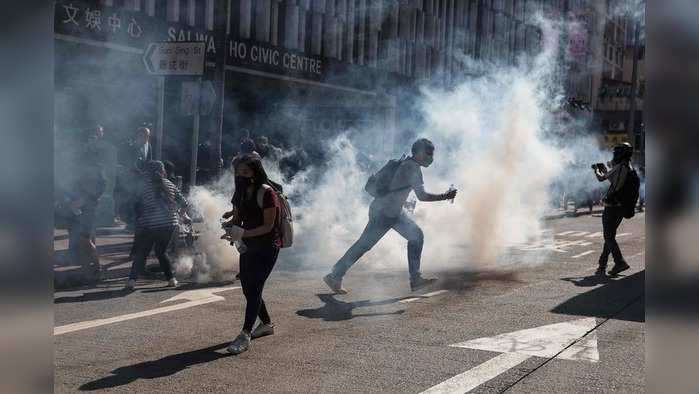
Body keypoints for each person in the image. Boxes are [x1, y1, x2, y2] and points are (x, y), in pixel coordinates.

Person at [323, 138, 458, 294]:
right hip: (384, 214)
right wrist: (445, 196)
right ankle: (335, 275)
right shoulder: (412, 168)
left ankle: (415, 280)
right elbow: (422, 196)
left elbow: (398, 188)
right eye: (429, 153)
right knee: (364, 245)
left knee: (416, 236)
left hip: (390, 212)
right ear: (420, 153)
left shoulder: (403, 162)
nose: (431, 157)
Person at [223, 155, 281, 355]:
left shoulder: (267, 193)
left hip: (267, 246)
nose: (241, 176)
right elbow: (239, 219)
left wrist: (244, 232)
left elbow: (268, 226)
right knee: (248, 287)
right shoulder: (239, 192)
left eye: (245, 172)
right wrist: (231, 227)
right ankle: (266, 324)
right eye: (238, 172)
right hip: (248, 246)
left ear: (255, 172)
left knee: (255, 286)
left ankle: (245, 334)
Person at [125, 161, 188, 290]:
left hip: (151, 224)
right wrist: (179, 216)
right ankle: (171, 279)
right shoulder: (169, 183)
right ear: (162, 171)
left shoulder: (142, 186)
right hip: (170, 224)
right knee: (161, 251)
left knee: (142, 253)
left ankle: (131, 281)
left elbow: (137, 206)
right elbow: (184, 203)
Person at [65, 128, 107, 280]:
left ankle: (97, 268)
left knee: (85, 239)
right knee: (78, 239)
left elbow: (101, 185)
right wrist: (70, 200)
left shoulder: (96, 164)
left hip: (88, 205)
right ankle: (85, 270)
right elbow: (71, 183)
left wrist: (86, 199)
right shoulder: (76, 164)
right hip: (75, 206)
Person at [593, 142, 633, 276]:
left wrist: (596, 170)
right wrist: (605, 170)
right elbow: (615, 183)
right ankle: (602, 263)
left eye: (616, 153)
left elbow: (601, 178)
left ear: (620, 154)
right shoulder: (628, 167)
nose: (614, 155)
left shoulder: (620, 167)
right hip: (621, 207)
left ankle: (619, 261)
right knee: (610, 236)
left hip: (612, 207)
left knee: (608, 236)